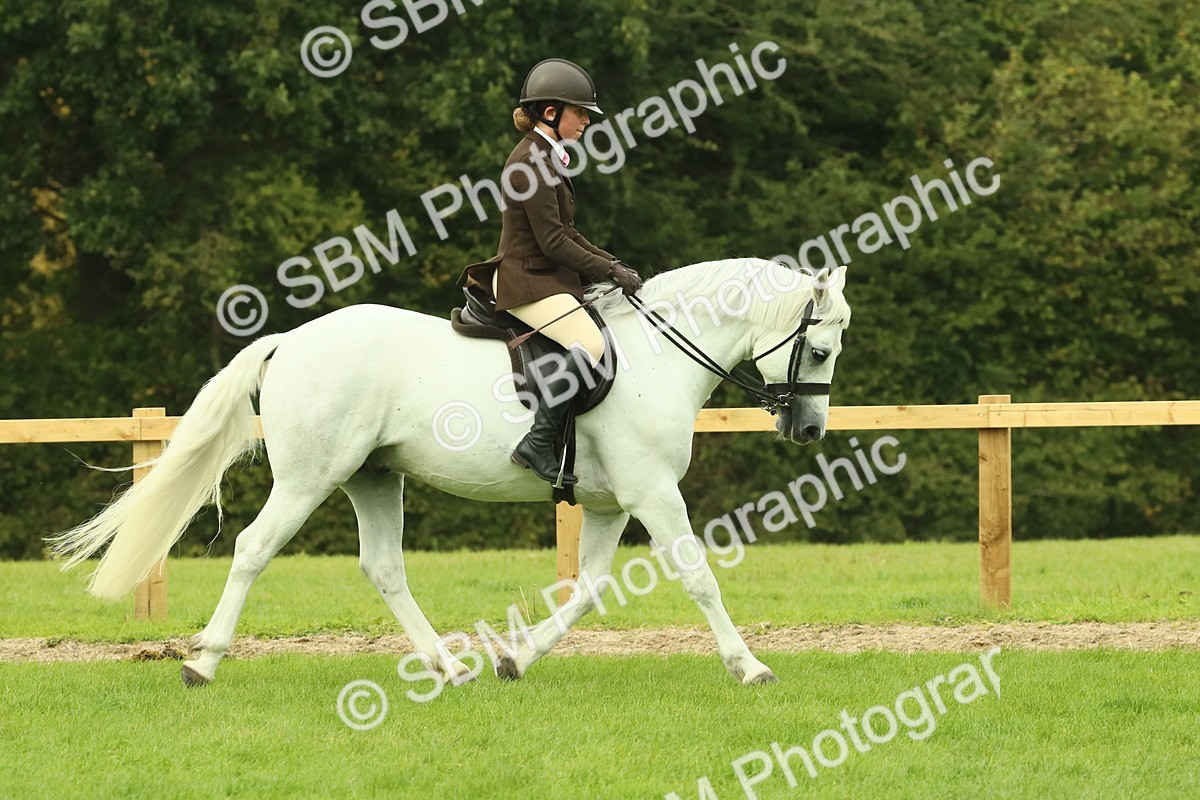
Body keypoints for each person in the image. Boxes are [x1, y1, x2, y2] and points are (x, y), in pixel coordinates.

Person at [457, 58, 642, 487]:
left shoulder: (544, 155)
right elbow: (552, 243)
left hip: (544, 276)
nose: (586, 122)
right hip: (527, 280)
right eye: (581, 113)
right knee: (590, 342)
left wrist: (613, 264)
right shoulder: (529, 162)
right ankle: (540, 441)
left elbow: (568, 232)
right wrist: (609, 270)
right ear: (552, 112)